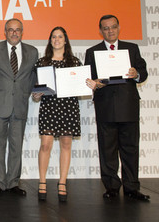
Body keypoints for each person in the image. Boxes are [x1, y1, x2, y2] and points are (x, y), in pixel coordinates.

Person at [84, 14, 150, 201]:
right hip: (105, 106)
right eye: (105, 28)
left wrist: (136, 73)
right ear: (100, 31)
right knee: (107, 149)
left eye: (113, 27)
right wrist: (94, 83)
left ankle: (131, 187)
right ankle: (111, 187)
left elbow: (143, 72)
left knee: (130, 149)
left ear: (119, 27)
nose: (110, 31)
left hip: (128, 106)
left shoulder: (132, 48)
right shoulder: (92, 51)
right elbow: (87, 78)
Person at [32, 27, 91, 202]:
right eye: (53, 37)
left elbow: (82, 87)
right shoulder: (42, 63)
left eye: (60, 36)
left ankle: (62, 182)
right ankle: (42, 181)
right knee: (45, 145)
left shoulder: (75, 62)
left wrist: (89, 85)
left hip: (69, 107)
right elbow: (36, 90)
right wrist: (36, 94)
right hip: (49, 107)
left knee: (66, 144)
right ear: (50, 40)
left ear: (65, 40)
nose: (57, 39)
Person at [0, 18, 38, 197]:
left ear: (22, 32)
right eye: (10, 30)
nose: (14, 33)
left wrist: (29, 93)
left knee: (16, 146)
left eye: (17, 30)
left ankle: (13, 182)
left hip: (20, 106)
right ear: (5, 32)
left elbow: (32, 78)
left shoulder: (32, 51)